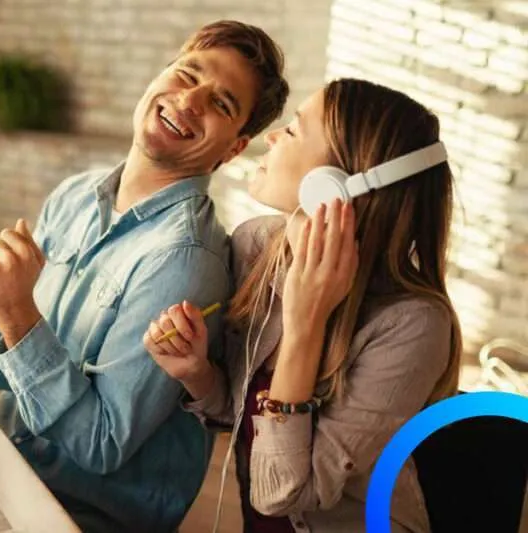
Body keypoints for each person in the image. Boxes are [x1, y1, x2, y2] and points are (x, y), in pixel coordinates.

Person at [0, 21, 290, 533]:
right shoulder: (76, 195)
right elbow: (17, 379)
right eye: (187, 74)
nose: (190, 100)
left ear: (232, 149)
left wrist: (17, 314)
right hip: (5, 464)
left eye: (221, 104)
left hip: (74, 513)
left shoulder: (184, 261)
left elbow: (100, 442)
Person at [144, 78, 463, 533]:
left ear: (333, 187)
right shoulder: (256, 247)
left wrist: (304, 325)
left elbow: (282, 493)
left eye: (292, 130)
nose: (271, 137)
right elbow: (240, 416)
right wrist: (196, 372)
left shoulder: (412, 325)